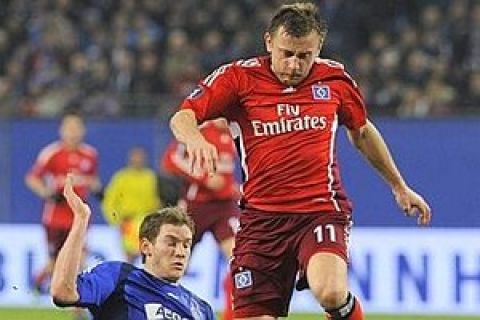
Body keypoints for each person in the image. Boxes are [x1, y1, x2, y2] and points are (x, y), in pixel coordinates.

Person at [169, 2, 432, 320]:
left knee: (331, 291)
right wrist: (194, 137)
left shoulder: (334, 79)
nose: (294, 65)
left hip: (320, 211)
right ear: (269, 42)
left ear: (318, 48)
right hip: (261, 222)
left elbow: (361, 132)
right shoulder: (238, 78)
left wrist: (399, 186)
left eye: (304, 56)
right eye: (286, 53)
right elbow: (182, 117)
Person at [50, 173, 215, 320]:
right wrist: (80, 220)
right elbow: (63, 292)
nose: (180, 252)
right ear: (146, 247)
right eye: (171, 243)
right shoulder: (119, 277)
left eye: (186, 245)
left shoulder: (201, 310)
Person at [161, 118, 240, 320]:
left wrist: (235, 188)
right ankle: (157, 309)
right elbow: (171, 158)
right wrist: (205, 178)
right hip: (196, 206)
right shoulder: (200, 131)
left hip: (224, 207)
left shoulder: (235, 130)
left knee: (239, 260)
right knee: (175, 265)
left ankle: (232, 315)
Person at [25, 113, 102, 294]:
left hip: (79, 217)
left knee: (79, 259)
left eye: (77, 128)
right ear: (61, 131)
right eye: (69, 128)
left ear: (83, 131)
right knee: (56, 261)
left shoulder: (90, 155)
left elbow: (92, 179)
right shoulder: (52, 153)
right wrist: (48, 193)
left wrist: (99, 190)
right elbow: (32, 178)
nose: (73, 133)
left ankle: (77, 306)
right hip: (55, 218)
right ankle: (39, 280)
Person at [102, 146, 161, 263]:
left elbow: (156, 201)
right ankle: (128, 279)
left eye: (140, 158)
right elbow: (109, 201)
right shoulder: (121, 178)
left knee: (149, 255)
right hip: (128, 221)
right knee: (130, 255)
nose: (138, 160)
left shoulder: (151, 177)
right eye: (135, 158)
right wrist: (115, 221)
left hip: (146, 221)